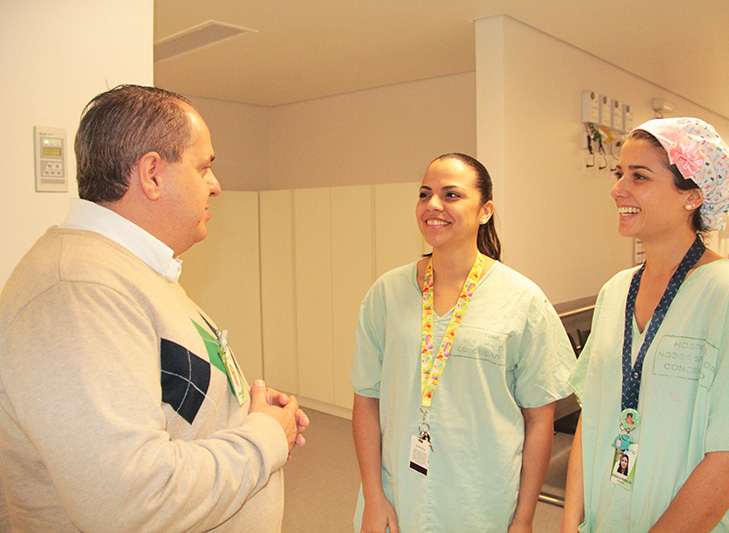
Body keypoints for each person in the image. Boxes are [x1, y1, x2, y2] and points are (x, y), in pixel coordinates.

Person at [0, 85, 309, 532]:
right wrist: (265, 437)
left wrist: (245, 411)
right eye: (203, 167)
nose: (215, 186)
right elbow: (131, 502)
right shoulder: (78, 292)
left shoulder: (129, 271)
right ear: (151, 175)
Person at [561, 118, 729, 532]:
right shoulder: (616, 292)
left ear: (692, 196)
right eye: (619, 173)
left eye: (639, 176)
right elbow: (591, 415)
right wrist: (569, 523)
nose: (618, 189)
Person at [350, 153, 576, 532]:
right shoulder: (386, 294)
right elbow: (366, 399)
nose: (433, 205)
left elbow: (540, 420)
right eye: (425, 194)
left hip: (482, 501)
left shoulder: (522, 300)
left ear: (485, 211)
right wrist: (374, 496)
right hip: (398, 492)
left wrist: (523, 518)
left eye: (451, 195)